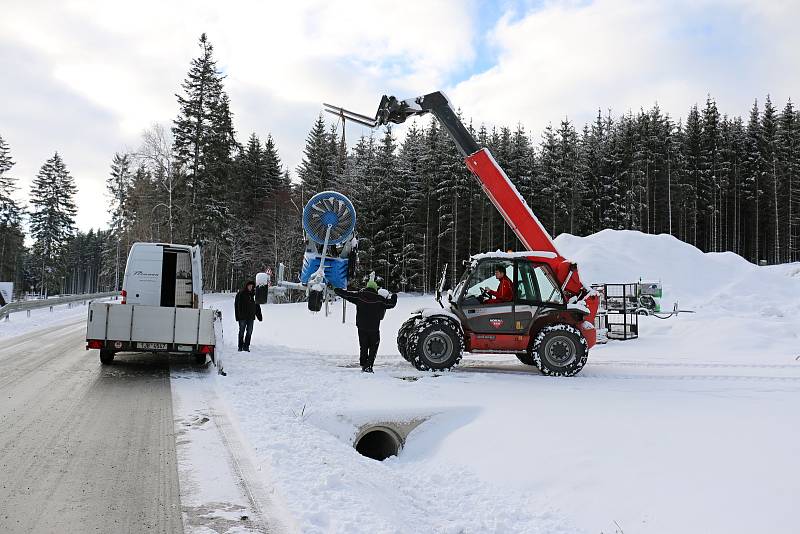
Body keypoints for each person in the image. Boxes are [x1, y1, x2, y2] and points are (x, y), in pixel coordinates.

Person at [334, 278, 397, 373]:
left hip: (361, 327)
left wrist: (336, 290)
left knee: (363, 346)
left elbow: (346, 295)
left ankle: (363, 363)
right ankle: (369, 365)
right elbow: (391, 304)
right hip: (374, 329)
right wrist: (394, 296)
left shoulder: (359, 296)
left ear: (367, 287)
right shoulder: (380, 299)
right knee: (373, 347)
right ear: (375, 289)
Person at [234, 280, 262, 351]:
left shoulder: (254, 295)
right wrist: (237, 317)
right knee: (241, 332)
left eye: (252, 286)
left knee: (249, 332)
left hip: (251, 317)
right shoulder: (241, 294)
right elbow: (236, 306)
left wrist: (259, 316)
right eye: (249, 286)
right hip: (242, 317)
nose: (250, 287)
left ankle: (246, 346)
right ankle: (240, 347)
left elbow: (257, 306)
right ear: (246, 286)